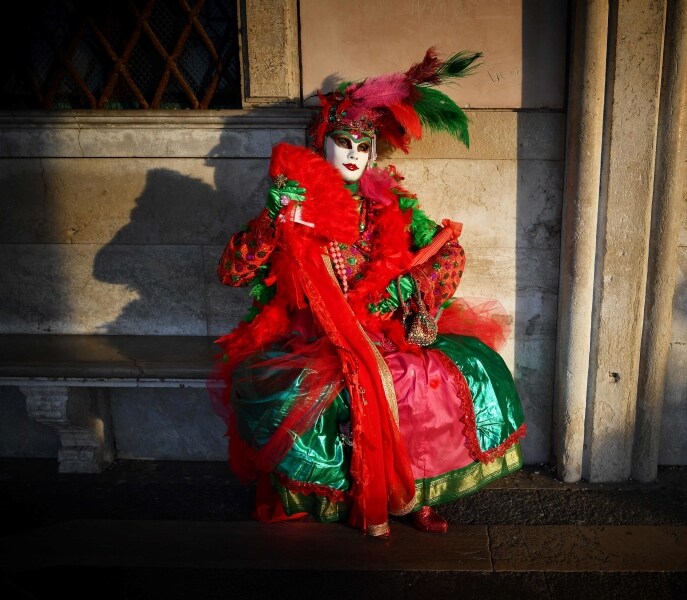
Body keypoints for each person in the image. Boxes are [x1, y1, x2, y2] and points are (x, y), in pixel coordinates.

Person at [209, 48, 526, 538]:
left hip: (386, 330)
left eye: (364, 144)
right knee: (333, 391)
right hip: (314, 337)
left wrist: (409, 287)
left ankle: (417, 494)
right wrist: (273, 221)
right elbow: (231, 272)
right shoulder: (293, 205)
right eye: (344, 141)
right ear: (322, 143)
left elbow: (447, 253)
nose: (355, 152)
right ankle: (353, 498)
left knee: (429, 379)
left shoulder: (391, 204)